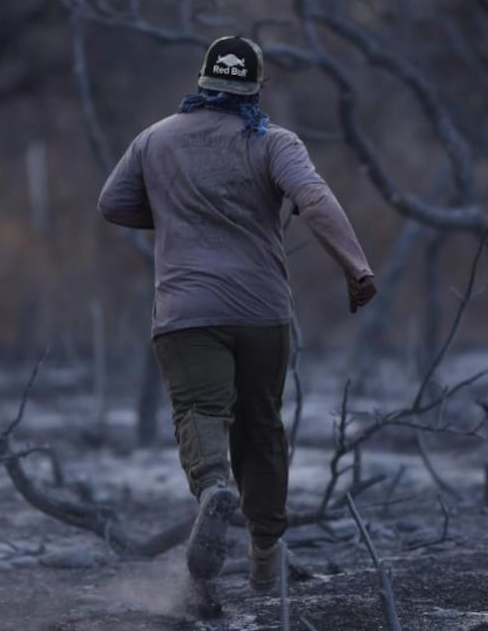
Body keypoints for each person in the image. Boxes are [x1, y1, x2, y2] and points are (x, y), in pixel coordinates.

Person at [97, 35, 377, 590]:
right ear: (256, 88)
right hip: (260, 310)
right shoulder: (274, 142)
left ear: (202, 80)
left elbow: (112, 203)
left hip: (186, 311)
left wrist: (175, 213)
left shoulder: (155, 140)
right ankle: (265, 562)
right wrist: (356, 268)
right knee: (261, 427)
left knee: (200, 411)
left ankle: (212, 487)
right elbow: (316, 199)